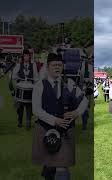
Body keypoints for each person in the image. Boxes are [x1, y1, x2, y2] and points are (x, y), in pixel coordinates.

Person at [32, 52, 88, 180]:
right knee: (51, 165)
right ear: (47, 66)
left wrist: (76, 113)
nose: (57, 67)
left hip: (66, 131)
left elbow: (84, 100)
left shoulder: (69, 83)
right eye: (54, 65)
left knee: (63, 168)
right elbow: (36, 109)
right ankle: (48, 170)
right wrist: (55, 120)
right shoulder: (40, 85)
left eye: (59, 65)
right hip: (45, 129)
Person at [12, 49, 39, 129]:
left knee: (29, 106)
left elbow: (36, 77)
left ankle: (28, 122)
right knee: (20, 106)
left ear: (29, 56)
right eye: (25, 56)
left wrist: (34, 80)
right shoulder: (18, 65)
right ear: (23, 56)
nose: (26, 57)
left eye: (27, 55)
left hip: (30, 86)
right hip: (21, 85)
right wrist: (17, 77)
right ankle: (19, 121)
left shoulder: (33, 65)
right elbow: (13, 76)